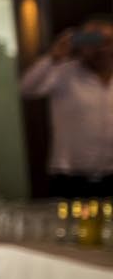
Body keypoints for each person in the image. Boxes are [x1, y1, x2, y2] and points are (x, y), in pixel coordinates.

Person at [19, 16, 113, 199]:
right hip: (71, 179)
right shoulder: (63, 72)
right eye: (95, 40)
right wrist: (53, 57)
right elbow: (27, 88)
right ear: (81, 44)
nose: (103, 48)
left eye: (109, 41)